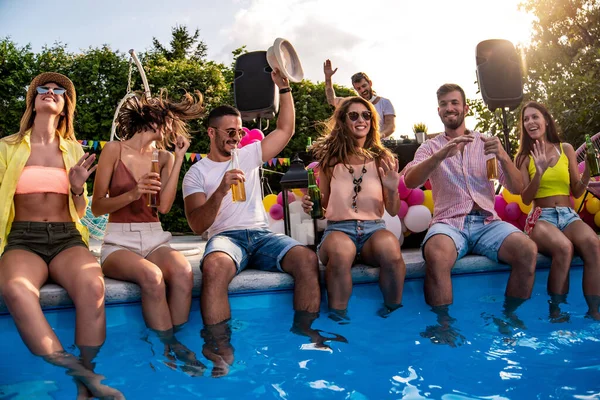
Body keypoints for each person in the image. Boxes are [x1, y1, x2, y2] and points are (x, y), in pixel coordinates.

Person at [183, 69, 343, 377]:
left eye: (239, 130)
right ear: (211, 133)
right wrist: (220, 190)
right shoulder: (197, 174)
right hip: (226, 237)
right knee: (214, 267)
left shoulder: (249, 154)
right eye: (229, 130)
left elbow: (285, 129)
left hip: (260, 234)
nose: (236, 135)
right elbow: (195, 224)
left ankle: (304, 332)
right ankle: (219, 345)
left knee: (306, 259)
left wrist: (284, 90)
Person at [0, 72, 123, 398]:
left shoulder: (73, 150)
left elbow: (81, 212)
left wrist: (77, 187)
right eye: (44, 88)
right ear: (33, 98)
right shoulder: (7, 148)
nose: (50, 92)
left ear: (66, 104)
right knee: (15, 289)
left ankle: (86, 380)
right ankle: (82, 374)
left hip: (68, 237)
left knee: (92, 285)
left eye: (59, 90)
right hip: (23, 239)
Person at [403, 83, 537, 343]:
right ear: (439, 110)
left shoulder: (486, 144)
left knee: (527, 250)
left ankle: (508, 318)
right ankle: (444, 327)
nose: (449, 108)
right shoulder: (430, 147)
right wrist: (440, 156)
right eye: (444, 104)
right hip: (449, 222)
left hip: (487, 222)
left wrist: (503, 157)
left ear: (465, 108)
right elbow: (409, 181)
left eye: (454, 103)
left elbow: (518, 188)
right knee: (436, 254)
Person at [91, 89, 206, 375]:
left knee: (182, 272)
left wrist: (179, 158)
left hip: (155, 235)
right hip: (119, 240)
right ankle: (166, 345)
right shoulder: (113, 150)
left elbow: (164, 207)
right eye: (170, 121)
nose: (172, 129)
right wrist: (133, 192)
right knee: (152, 277)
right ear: (156, 120)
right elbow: (97, 207)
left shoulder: (164, 157)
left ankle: (176, 341)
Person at [302, 96, 406, 321]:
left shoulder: (382, 159)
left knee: (392, 251)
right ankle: (339, 321)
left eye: (366, 115)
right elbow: (325, 205)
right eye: (354, 115)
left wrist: (392, 188)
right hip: (339, 230)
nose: (361, 120)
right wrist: (311, 203)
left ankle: (394, 314)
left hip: (373, 230)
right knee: (339, 254)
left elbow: (394, 210)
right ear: (343, 121)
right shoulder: (330, 160)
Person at [515, 101, 600, 320]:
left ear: (546, 120)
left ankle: (594, 311)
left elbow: (577, 191)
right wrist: (539, 172)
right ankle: (556, 311)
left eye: (535, 117)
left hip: (568, 216)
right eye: (526, 119)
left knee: (593, 244)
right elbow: (525, 198)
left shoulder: (566, 149)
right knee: (564, 248)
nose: (531, 122)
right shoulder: (524, 157)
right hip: (541, 217)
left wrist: (589, 171)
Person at [324, 60, 396, 138]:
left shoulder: (384, 103)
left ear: (370, 83)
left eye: (364, 86)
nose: (362, 90)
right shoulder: (352, 104)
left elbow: (390, 126)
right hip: (359, 147)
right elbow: (331, 100)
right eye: (358, 88)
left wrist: (375, 138)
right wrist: (328, 78)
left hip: (380, 144)